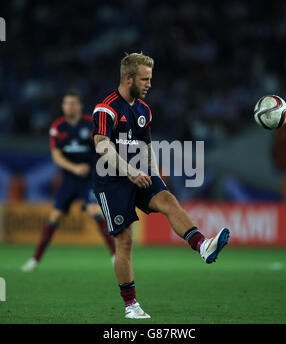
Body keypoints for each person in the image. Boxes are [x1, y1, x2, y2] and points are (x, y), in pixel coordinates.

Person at [92, 53, 230, 319]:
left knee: (168, 200)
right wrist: (131, 172)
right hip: (111, 181)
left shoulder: (144, 110)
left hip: (139, 173)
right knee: (125, 241)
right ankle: (131, 305)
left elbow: (146, 147)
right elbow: (101, 145)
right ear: (129, 78)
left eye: (150, 79)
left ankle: (203, 245)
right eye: (145, 79)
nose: (149, 84)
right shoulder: (106, 108)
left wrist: (155, 176)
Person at [22, 91, 115, 272]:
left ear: (80, 106)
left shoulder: (91, 124)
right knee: (54, 218)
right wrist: (75, 168)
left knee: (94, 211)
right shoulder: (58, 127)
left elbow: (103, 148)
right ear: (63, 106)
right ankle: (35, 260)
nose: (69, 107)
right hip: (69, 181)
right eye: (66, 104)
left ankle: (114, 255)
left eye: (73, 103)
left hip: (89, 180)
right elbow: (57, 157)